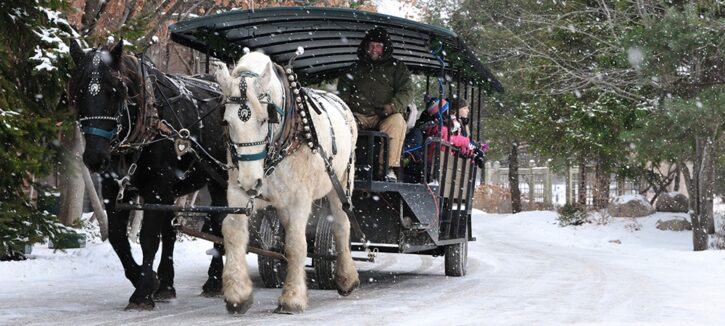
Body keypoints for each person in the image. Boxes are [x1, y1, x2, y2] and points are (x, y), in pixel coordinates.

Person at [338, 27, 414, 182]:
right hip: (358, 115)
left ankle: (387, 170)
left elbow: (406, 91)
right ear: (366, 46)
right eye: (372, 45)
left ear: (384, 48)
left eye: (378, 46)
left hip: (385, 116)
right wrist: (346, 105)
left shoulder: (397, 67)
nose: (374, 49)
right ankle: (346, 167)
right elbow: (343, 88)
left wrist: (392, 107)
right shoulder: (356, 68)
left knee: (398, 122)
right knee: (342, 124)